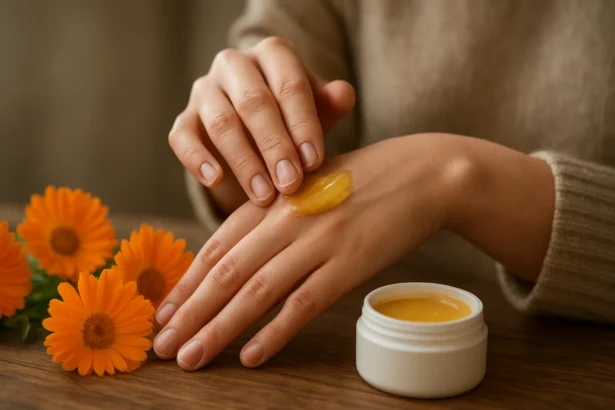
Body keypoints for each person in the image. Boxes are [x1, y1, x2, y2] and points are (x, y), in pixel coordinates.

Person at [153, 0, 615, 371]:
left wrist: (457, 177)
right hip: (347, 342)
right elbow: (275, 52)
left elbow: (447, 176)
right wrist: (246, 147)